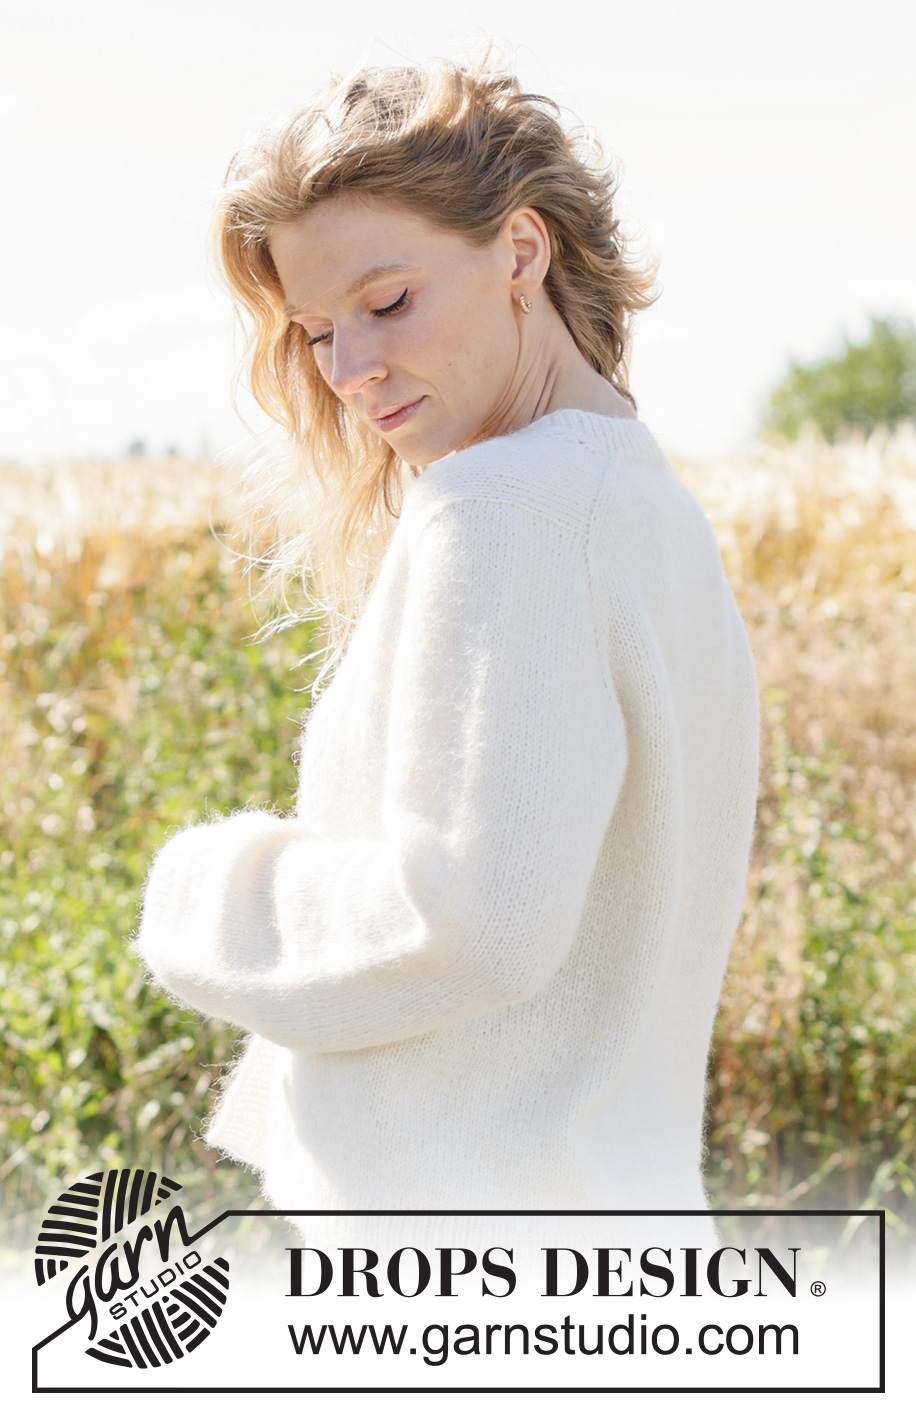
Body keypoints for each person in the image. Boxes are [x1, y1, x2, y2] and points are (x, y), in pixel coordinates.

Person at [134, 54, 760, 1229]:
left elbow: (469, 919)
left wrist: (201, 891)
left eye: (388, 302)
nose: (351, 372)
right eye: (318, 331)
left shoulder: (505, 510)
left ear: (521, 251)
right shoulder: (637, 500)